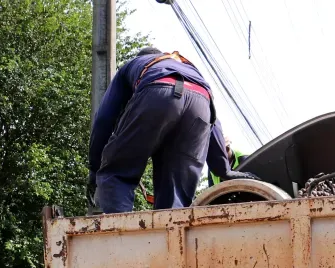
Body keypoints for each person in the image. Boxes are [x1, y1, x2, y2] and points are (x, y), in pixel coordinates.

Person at [87, 47, 256, 213]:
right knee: (175, 188)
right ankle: (170, 235)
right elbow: (213, 121)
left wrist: (95, 169)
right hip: (201, 104)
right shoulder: (189, 68)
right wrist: (223, 170)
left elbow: (104, 118)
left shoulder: (133, 64)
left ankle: (120, 232)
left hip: (157, 94)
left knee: (117, 171)